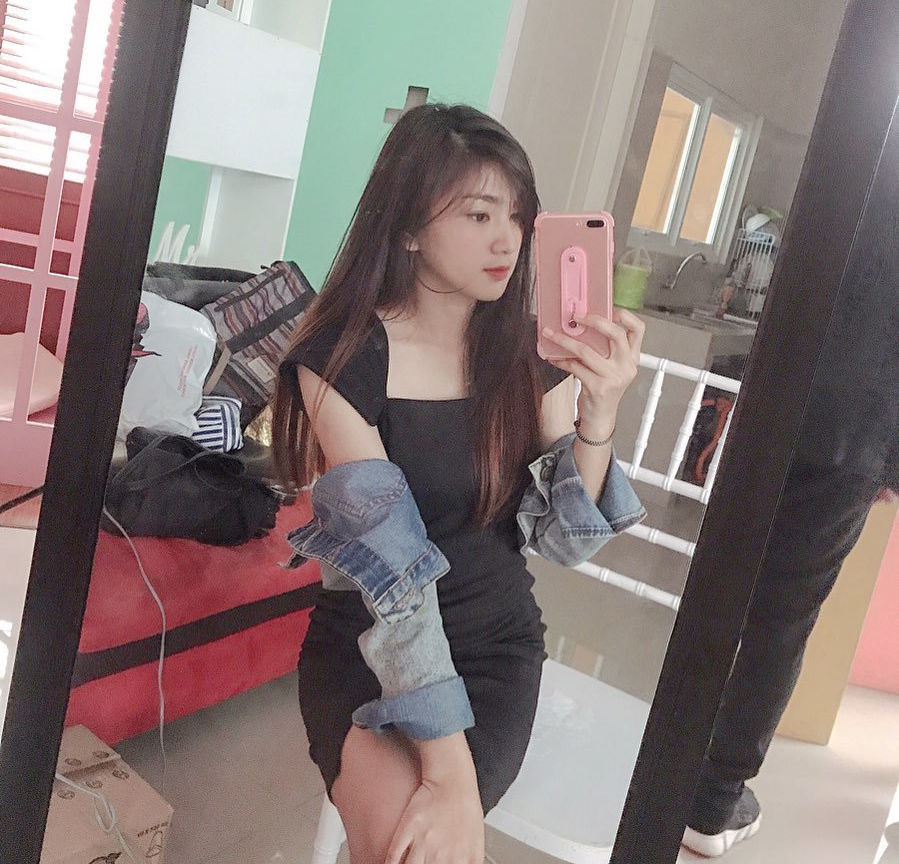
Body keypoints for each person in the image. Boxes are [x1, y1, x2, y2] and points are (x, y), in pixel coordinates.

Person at [271, 103, 646, 863]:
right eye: (479, 215)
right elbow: (391, 575)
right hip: (368, 642)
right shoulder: (341, 359)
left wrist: (599, 414)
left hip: (493, 646)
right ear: (410, 227)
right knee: (412, 845)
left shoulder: (528, 356)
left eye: (517, 216)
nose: (507, 239)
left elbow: (563, 542)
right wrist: (447, 770)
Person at [682, 220, 899, 857]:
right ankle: (712, 798)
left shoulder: (864, 168)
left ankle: (686, 766)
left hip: (780, 406)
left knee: (724, 591)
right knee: (779, 619)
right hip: (852, 432)